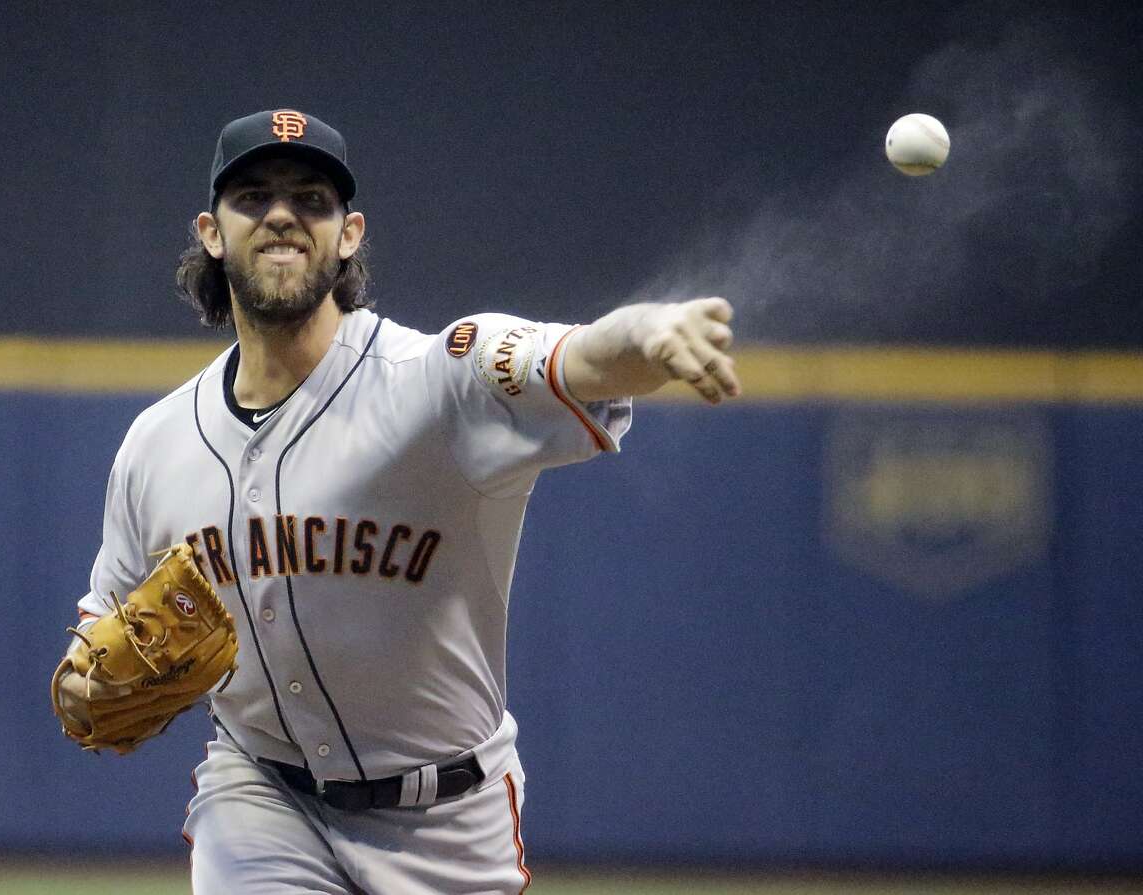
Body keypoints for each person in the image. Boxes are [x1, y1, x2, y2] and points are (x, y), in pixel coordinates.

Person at [53, 108, 739, 894]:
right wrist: (85, 688)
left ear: (349, 234)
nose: (282, 213)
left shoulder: (433, 382)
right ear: (212, 231)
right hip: (261, 797)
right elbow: (97, 633)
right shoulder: (156, 441)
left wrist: (643, 332)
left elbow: (571, 356)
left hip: (446, 818)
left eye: (312, 198)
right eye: (255, 197)